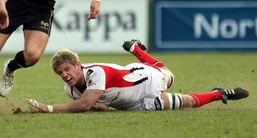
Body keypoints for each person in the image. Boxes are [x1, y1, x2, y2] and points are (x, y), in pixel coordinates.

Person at [26, 39, 249, 113]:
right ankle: (219, 94)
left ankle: (137, 51)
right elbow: (99, 107)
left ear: (77, 65)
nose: (64, 75)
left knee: (169, 74)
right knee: (188, 102)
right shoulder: (71, 89)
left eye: (67, 69)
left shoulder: (95, 72)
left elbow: (85, 104)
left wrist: (50, 109)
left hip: (147, 78)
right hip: (139, 104)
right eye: (60, 73)